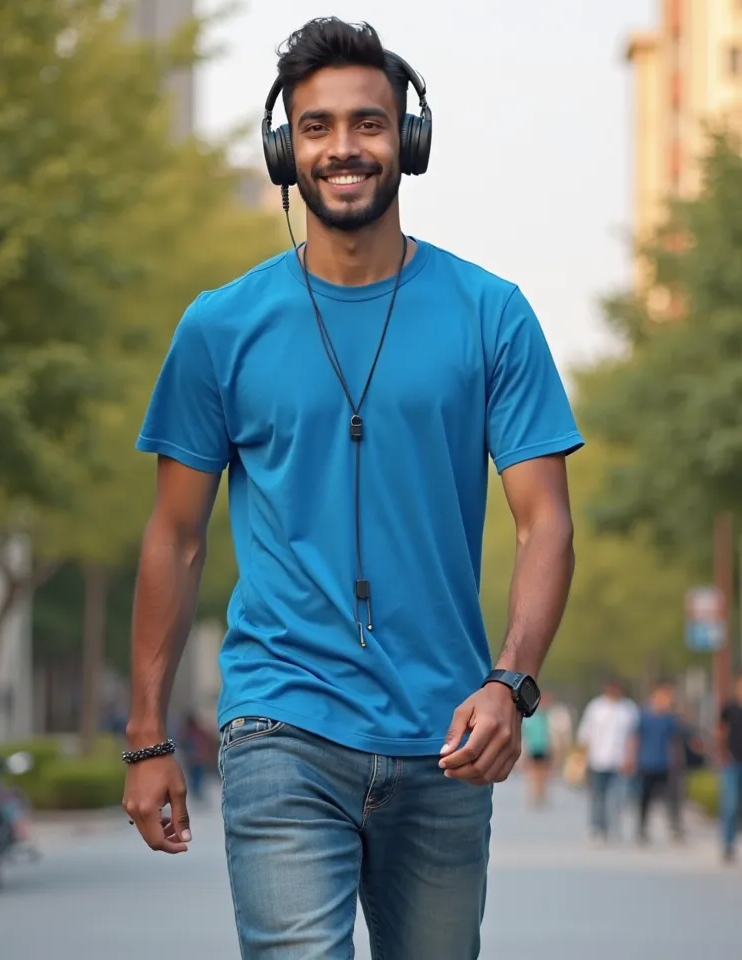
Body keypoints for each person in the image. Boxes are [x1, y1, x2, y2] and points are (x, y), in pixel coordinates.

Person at [122, 18, 583, 960]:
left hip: (447, 739)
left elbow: (547, 526)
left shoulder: (491, 315)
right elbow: (176, 537)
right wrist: (146, 735)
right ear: (285, 148)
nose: (344, 148)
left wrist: (512, 683)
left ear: (407, 143)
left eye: (369, 124)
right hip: (280, 724)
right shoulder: (221, 327)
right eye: (318, 126)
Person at [577, 678, 638, 840]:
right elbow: (585, 734)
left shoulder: (628, 709)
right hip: (598, 759)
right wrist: (583, 758)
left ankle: (615, 828)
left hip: (619, 761)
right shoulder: (596, 708)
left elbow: (633, 736)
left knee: (618, 797)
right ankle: (596, 827)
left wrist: (631, 758)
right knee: (598, 796)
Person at [628, 680, 688, 844]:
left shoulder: (670, 719)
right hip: (647, 763)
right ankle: (642, 829)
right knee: (644, 799)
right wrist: (631, 759)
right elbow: (636, 739)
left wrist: (677, 762)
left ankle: (675, 829)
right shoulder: (644, 716)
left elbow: (676, 741)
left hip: (666, 765)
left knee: (672, 799)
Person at [717, 671, 742, 863]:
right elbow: (721, 731)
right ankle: (727, 844)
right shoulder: (730, 708)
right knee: (730, 804)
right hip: (732, 762)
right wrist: (722, 752)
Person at [522, 694, 553, 807]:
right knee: (534, 773)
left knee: (542, 774)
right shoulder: (530, 718)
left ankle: (541, 795)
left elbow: (547, 735)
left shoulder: (543, 717)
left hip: (542, 747)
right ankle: (535, 795)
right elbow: (526, 735)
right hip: (533, 748)